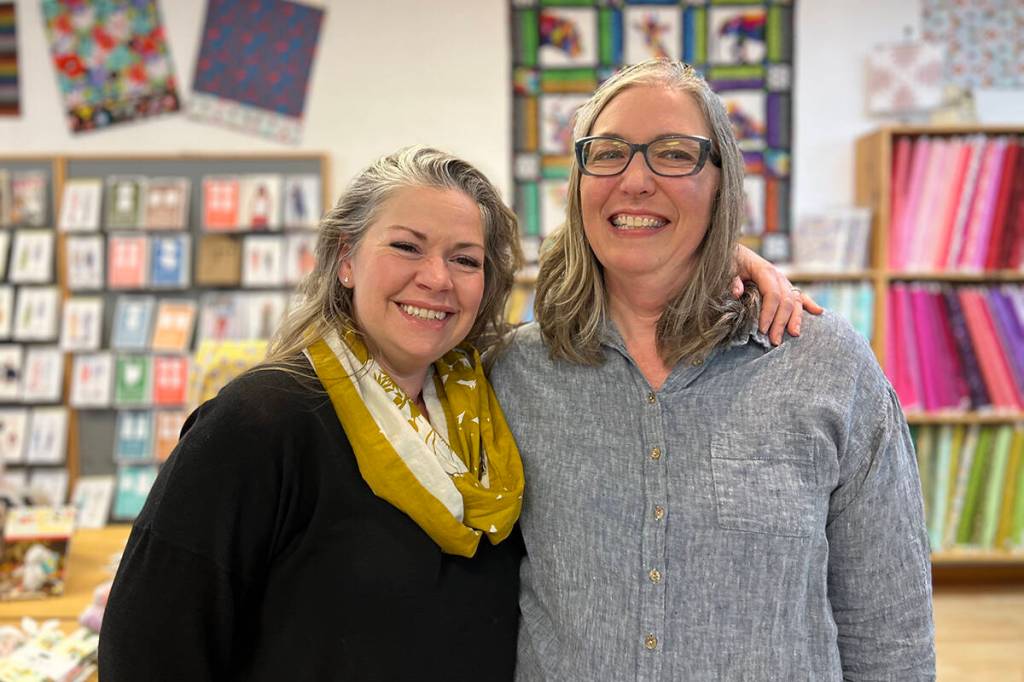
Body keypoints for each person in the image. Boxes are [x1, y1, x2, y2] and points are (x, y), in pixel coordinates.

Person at [98, 144, 811, 680]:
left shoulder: (499, 399)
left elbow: (619, 278)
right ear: (345, 259)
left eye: (466, 260)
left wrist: (719, 259)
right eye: (406, 247)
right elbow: (147, 650)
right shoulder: (258, 423)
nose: (436, 279)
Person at [489, 60, 935, 680]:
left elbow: (889, 625)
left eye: (674, 154)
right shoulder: (514, 373)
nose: (635, 180)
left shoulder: (825, 365)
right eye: (608, 153)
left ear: (722, 184)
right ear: (578, 183)